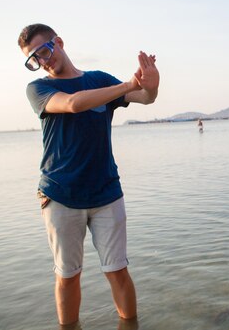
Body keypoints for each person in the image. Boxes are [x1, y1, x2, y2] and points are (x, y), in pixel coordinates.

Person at [18, 23, 160, 326]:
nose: (43, 61)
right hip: (60, 194)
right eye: (34, 60)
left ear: (59, 42)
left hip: (106, 192)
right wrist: (127, 85)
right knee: (68, 276)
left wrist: (152, 84)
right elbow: (72, 104)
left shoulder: (99, 79)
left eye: (44, 51)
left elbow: (146, 98)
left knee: (117, 270)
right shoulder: (38, 88)